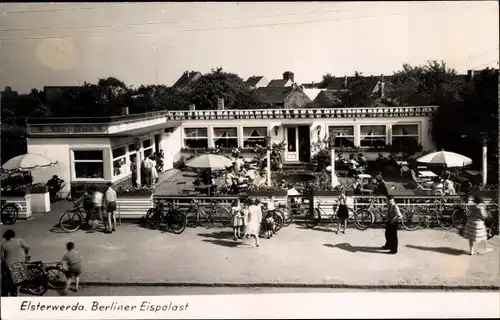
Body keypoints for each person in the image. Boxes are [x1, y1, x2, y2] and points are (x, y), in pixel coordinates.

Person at [1, 230, 30, 296]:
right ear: (13, 235)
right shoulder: (19, 241)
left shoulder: (3, 245)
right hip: (21, 262)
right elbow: (28, 247)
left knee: (7, 277)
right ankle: (17, 294)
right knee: (18, 279)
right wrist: (26, 253)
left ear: (6, 237)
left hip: (10, 264)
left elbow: (2, 258)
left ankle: (7, 292)